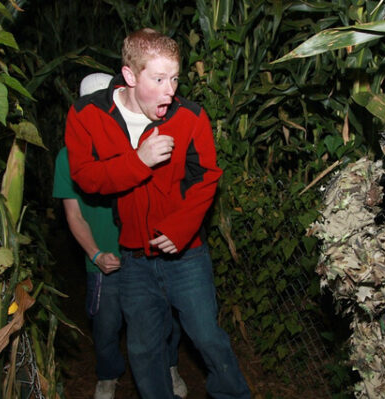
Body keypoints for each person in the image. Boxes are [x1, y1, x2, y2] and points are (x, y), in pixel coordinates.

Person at [64, 29, 251, 398]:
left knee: (208, 338)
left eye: (175, 78)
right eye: (159, 78)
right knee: (144, 349)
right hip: (133, 257)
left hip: (187, 255)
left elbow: (207, 177)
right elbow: (85, 178)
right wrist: (139, 161)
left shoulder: (191, 117)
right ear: (131, 76)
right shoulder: (87, 114)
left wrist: (180, 228)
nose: (170, 90)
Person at [54, 72, 188, 399]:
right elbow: (73, 214)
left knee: (163, 319)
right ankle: (108, 375)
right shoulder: (68, 157)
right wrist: (95, 254)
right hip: (105, 260)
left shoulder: (146, 144)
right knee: (106, 326)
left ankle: (169, 366)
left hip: (147, 255)